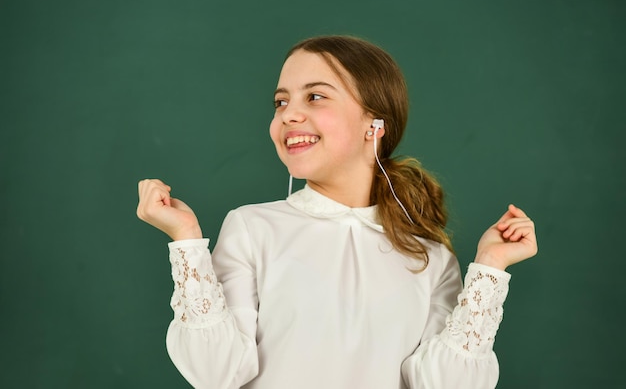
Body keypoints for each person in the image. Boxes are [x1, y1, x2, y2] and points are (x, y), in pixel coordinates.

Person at [136, 35, 538, 389]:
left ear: (374, 123)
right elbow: (216, 373)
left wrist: (489, 267)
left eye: (315, 96)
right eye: (280, 101)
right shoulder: (251, 228)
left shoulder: (429, 257)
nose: (289, 114)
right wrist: (187, 239)